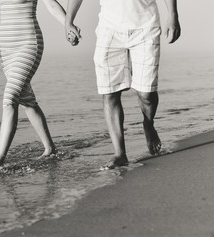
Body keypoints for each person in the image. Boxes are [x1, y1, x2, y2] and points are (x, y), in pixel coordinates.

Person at [0, 0, 79, 177]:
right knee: (27, 100)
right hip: (6, 50)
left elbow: (51, 5)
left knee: (10, 98)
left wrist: (68, 26)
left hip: (29, 44)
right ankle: (50, 148)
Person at [65, 0, 181, 169]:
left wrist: (172, 15)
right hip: (109, 29)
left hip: (146, 26)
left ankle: (148, 124)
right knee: (110, 92)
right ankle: (120, 154)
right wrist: (68, 22)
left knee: (146, 93)